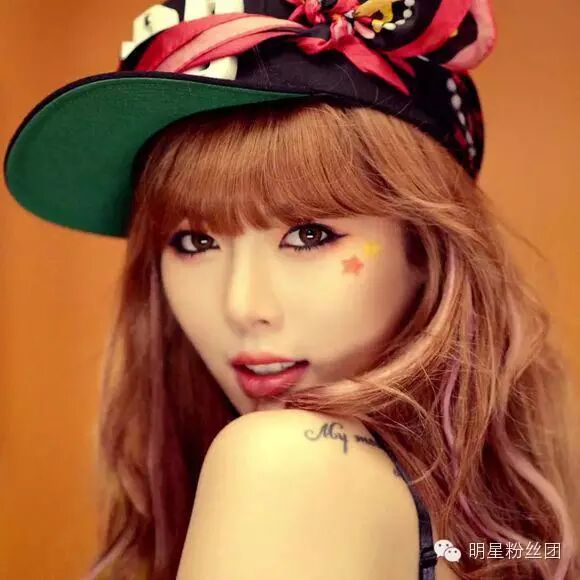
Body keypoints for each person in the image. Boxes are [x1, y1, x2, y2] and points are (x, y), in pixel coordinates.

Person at [3, 1, 579, 579]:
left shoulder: (284, 462)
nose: (243, 307)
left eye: (309, 235)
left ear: (424, 250)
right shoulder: (498, 525)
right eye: (194, 242)